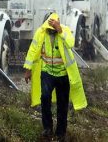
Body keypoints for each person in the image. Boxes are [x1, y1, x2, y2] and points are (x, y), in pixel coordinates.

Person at [24, 13, 87, 141]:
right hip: (47, 72)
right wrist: (28, 69)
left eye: (53, 27)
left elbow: (70, 43)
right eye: (50, 27)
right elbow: (32, 50)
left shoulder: (65, 30)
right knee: (45, 98)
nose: (51, 30)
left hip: (63, 75)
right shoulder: (41, 32)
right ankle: (47, 128)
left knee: (62, 105)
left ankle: (60, 133)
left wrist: (60, 30)